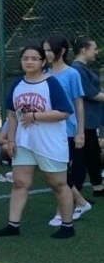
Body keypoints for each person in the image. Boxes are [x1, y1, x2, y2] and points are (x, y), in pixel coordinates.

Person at [0, 44, 75, 239]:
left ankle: (67, 225)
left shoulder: (51, 83)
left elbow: (64, 112)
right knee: (20, 182)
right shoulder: (17, 85)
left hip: (50, 143)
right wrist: (11, 140)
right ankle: (13, 225)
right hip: (24, 142)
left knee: (58, 184)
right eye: (25, 58)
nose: (29, 62)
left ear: (43, 62)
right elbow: (12, 116)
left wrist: (36, 116)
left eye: (34, 58)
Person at [42, 34, 90, 226]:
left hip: (67, 130)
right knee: (53, 171)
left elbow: (79, 104)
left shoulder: (72, 74)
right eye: (44, 50)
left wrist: (80, 131)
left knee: (61, 173)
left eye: (48, 50)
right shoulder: (44, 72)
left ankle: (62, 212)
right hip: (47, 129)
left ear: (60, 51)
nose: (45, 53)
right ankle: (80, 202)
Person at [71, 36, 104, 198]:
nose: (96, 52)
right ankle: (75, 192)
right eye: (94, 48)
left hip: (90, 120)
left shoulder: (82, 68)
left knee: (93, 154)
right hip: (83, 120)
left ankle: (98, 186)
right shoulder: (77, 69)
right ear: (84, 50)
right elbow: (91, 94)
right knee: (81, 158)